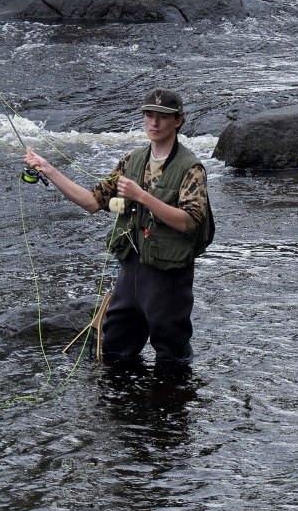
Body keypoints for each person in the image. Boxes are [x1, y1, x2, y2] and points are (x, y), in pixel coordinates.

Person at [24, 89, 215, 369]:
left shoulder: (191, 168)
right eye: (149, 115)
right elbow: (91, 202)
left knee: (172, 357)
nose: (155, 122)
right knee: (115, 352)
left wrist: (143, 197)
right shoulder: (131, 161)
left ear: (179, 121)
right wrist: (49, 169)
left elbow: (190, 222)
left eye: (163, 117)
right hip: (130, 272)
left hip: (169, 278)